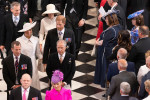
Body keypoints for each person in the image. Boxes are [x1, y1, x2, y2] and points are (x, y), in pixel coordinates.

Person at [94, 9, 122, 88]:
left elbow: (104, 42)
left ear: (111, 19)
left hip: (106, 53)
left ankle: (106, 86)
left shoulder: (112, 30)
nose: (105, 20)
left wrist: (97, 42)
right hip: (110, 52)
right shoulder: (118, 27)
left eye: (106, 19)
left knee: (105, 70)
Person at [16, 22, 42, 90]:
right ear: (24, 31)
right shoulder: (19, 40)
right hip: (23, 62)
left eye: (30, 30)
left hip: (33, 61)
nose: (29, 31)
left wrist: (42, 60)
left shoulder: (35, 39)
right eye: (28, 30)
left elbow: (38, 53)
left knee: (33, 77)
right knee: (24, 77)